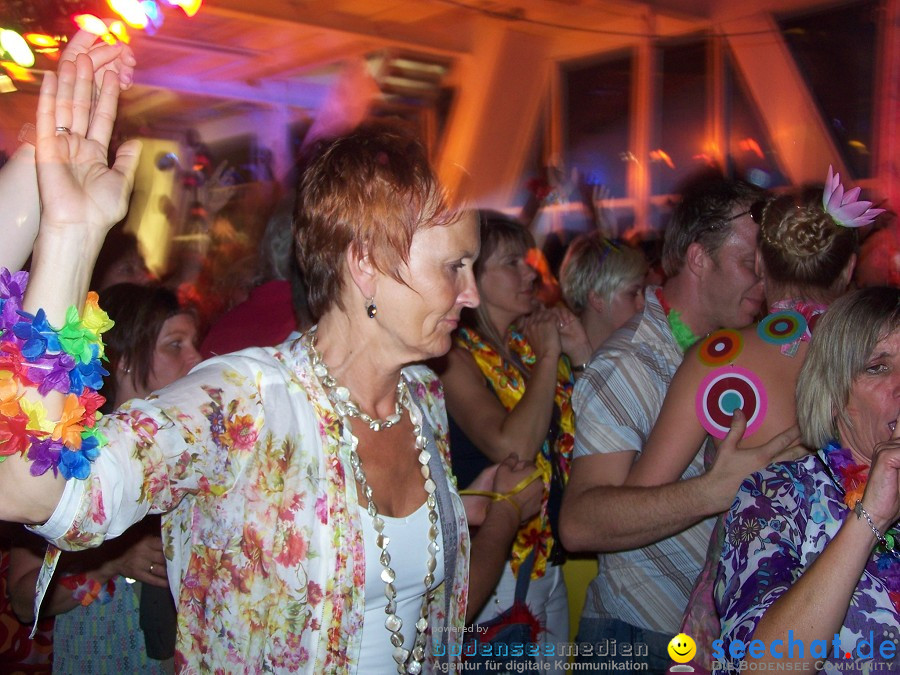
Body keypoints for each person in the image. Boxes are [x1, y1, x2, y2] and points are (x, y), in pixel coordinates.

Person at [0, 53, 536, 673]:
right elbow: (32, 490)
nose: (469, 294)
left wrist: (464, 508)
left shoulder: (422, 397)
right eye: (453, 267)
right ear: (366, 264)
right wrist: (71, 234)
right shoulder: (241, 402)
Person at [559, 176, 795, 673]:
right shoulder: (629, 362)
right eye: (750, 264)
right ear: (698, 259)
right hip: (638, 637)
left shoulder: (736, 351)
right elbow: (578, 524)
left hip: (710, 634)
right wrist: (714, 491)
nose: (763, 282)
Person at [626, 187, 859, 671]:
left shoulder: (720, 359)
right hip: (862, 595)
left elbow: (639, 500)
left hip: (750, 597)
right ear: (849, 268)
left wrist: (713, 488)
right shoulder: (881, 358)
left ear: (760, 262)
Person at [8, 283, 201, 674]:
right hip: (98, 654)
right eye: (175, 345)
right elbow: (23, 600)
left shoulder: (194, 447)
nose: (197, 358)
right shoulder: (68, 453)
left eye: (195, 343)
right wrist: (109, 563)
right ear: (126, 359)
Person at [715, 287, 900, 673]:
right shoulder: (776, 497)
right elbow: (759, 668)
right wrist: (872, 518)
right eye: (878, 366)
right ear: (833, 395)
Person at [439, 210, 593, 668]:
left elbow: (586, 432)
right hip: (498, 564)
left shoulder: (524, 345)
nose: (531, 271)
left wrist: (579, 352)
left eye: (526, 260)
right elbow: (513, 447)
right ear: (474, 280)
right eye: (512, 263)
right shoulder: (455, 359)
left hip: (548, 556)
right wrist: (550, 356)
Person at [559, 234, 648, 352]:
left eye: (643, 293)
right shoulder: (557, 366)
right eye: (632, 294)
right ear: (597, 299)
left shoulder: (641, 354)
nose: (643, 304)